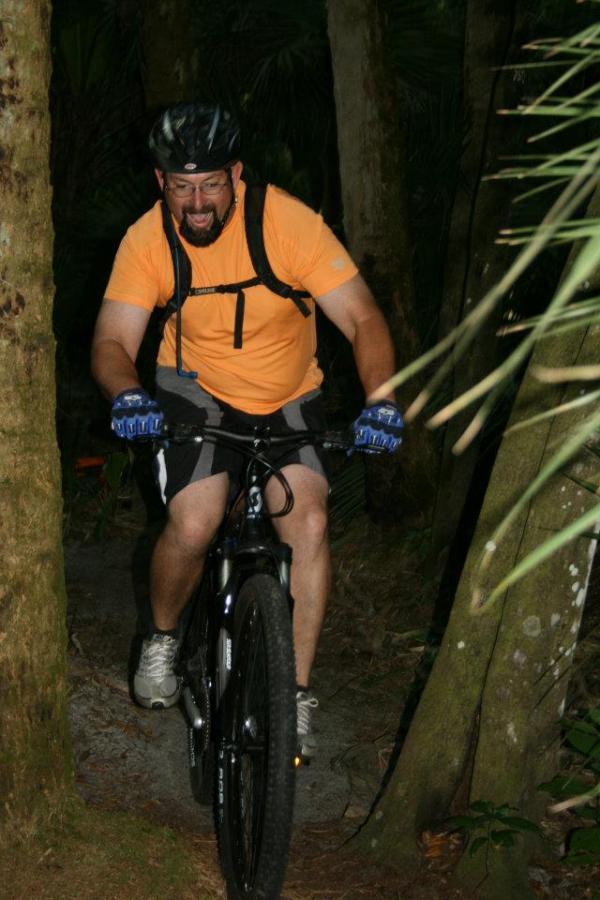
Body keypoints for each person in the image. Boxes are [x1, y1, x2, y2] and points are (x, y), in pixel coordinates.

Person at [91, 101, 403, 758]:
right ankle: (165, 637)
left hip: (288, 396)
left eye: (210, 184)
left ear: (237, 174)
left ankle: (293, 694)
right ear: (161, 183)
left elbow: (364, 320)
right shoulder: (148, 240)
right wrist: (126, 395)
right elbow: (113, 341)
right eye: (181, 186)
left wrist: (382, 400)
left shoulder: (288, 225)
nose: (197, 202)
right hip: (193, 392)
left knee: (310, 522)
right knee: (196, 521)